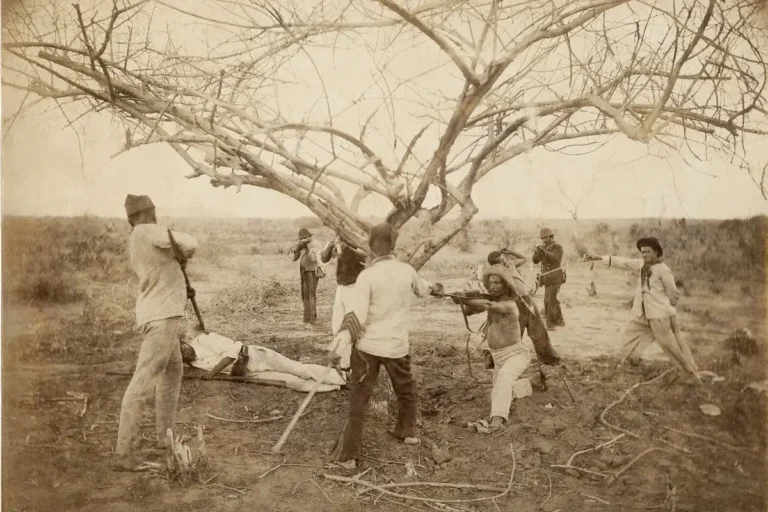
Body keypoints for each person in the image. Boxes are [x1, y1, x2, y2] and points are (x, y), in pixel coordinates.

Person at [327, 223, 442, 470]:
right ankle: (408, 432)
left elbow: (355, 316)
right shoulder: (407, 271)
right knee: (406, 389)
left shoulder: (367, 275)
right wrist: (434, 287)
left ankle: (348, 456)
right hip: (396, 346)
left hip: (367, 348)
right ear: (394, 245)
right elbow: (423, 290)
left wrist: (338, 346)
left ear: (371, 246)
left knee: (359, 398)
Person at [112, 194, 198, 472]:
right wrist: (181, 253)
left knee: (173, 372)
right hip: (162, 317)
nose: (154, 215)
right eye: (152, 211)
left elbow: (167, 264)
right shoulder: (147, 230)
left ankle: (165, 437)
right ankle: (123, 453)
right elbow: (190, 243)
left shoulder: (139, 238)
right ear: (147, 213)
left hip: (159, 314)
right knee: (144, 380)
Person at [585, 237, 698, 380]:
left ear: (656, 252)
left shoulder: (664, 270)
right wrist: (598, 257)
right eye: (642, 252)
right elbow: (622, 262)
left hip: (659, 316)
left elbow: (674, 294)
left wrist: (664, 308)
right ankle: (630, 364)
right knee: (628, 338)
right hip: (641, 315)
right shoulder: (641, 265)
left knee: (670, 347)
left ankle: (689, 374)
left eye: (648, 252)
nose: (644, 255)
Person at [465, 265, 545, 430]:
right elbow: (468, 311)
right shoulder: (493, 301)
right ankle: (531, 383)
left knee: (503, 378)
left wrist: (465, 299)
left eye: (497, 283)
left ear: (506, 285)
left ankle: (497, 421)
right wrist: (461, 299)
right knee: (499, 391)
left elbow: (487, 304)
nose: (493, 286)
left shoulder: (509, 304)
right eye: (491, 283)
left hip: (516, 354)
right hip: (498, 356)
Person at [179, 329, 346, 392]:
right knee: (293, 383)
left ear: (184, 342)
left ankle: (345, 377)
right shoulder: (192, 363)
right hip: (246, 373)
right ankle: (336, 386)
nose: (183, 355)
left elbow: (232, 352)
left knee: (299, 370)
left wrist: (213, 372)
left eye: (181, 349)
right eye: (180, 356)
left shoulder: (204, 340)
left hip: (255, 356)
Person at [469, 251, 561, 366]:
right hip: (514, 304)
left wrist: (510, 252)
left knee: (538, 331)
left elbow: (523, 258)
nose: (504, 261)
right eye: (500, 261)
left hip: (526, 300)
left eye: (503, 259)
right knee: (514, 336)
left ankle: (549, 359)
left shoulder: (510, 265)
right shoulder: (495, 274)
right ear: (495, 264)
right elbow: (494, 292)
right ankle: (494, 359)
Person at [320, 235, 368, 370]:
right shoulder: (337, 241)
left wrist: (344, 247)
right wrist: (331, 245)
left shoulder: (357, 241)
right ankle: (345, 365)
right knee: (337, 326)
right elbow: (324, 258)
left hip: (355, 287)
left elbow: (362, 256)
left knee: (352, 326)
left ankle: (357, 365)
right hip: (341, 287)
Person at [532, 228, 565, 330]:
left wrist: (543, 251)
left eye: (546, 238)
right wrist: (537, 251)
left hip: (555, 277)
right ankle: (560, 320)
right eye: (542, 239)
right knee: (552, 299)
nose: (544, 241)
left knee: (549, 300)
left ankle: (550, 324)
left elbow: (554, 258)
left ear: (552, 237)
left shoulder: (557, 247)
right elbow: (535, 261)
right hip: (546, 278)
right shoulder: (543, 247)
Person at [290, 228, 322, 329]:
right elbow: (294, 259)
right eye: (301, 238)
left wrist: (307, 247)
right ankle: (310, 318)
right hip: (304, 271)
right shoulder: (303, 245)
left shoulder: (315, 244)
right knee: (305, 295)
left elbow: (313, 259)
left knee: (310, 295)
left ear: (309, 236)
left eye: (305, 238)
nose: (303, 239)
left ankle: (311, 321)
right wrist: (299, 247)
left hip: (312, 271)